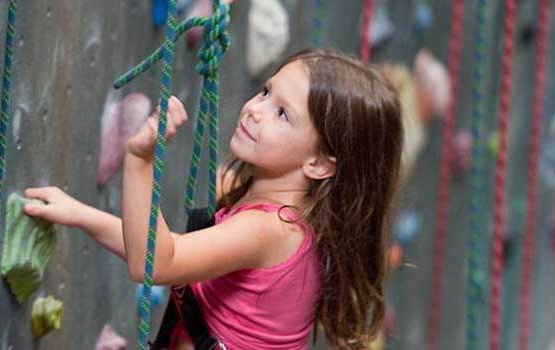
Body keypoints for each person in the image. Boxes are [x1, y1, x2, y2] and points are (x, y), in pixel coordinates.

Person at [23, 49, 404, 350]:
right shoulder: (286, 216)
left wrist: (140, 160)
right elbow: (169, 250)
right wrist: (79, 214)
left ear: (319, 163)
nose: (255, 110)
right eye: (266, 92)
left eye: (282, 114)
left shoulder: (272, 228)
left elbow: (153, 263)